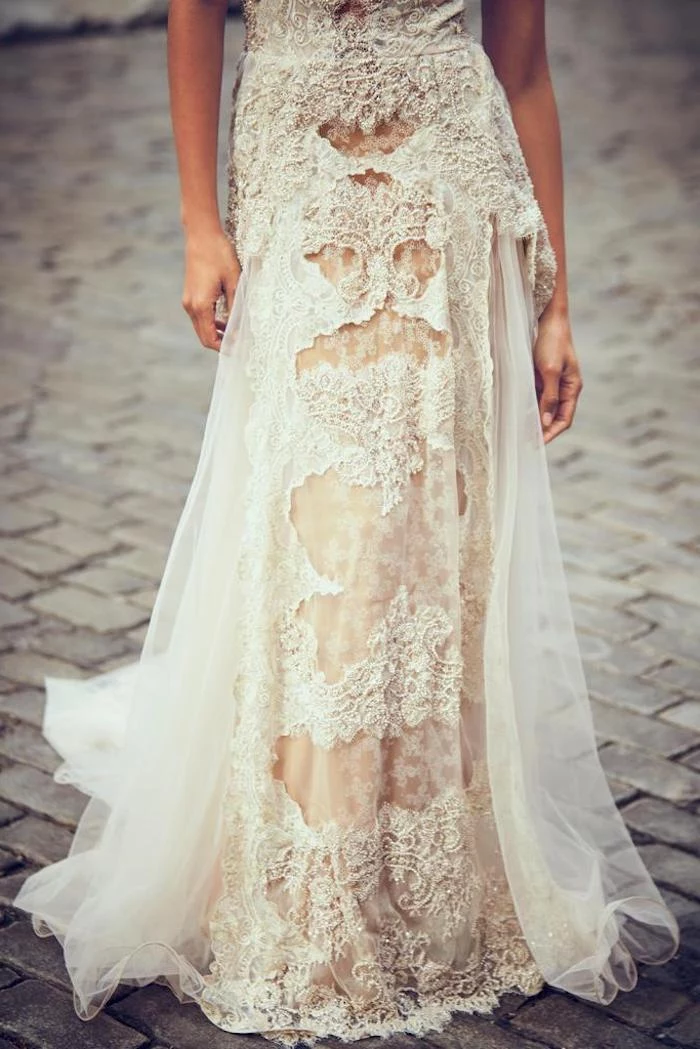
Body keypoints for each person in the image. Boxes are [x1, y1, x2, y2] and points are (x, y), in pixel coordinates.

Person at [14, 1, 679, 1046]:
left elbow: (525, 68)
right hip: (300, 189)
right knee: (322, 541)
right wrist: (200, 222)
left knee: (419, 554)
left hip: (448, 209)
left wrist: (555, 302)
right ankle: (314, 890)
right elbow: (195, 11)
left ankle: (420, 879)